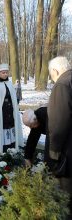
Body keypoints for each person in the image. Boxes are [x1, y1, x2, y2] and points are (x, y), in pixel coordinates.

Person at [48, 56, 72, 214]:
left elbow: (59, 123)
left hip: (67, 150)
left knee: (65, 196)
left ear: (55, 71)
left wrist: (54, 152)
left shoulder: (61, 85)